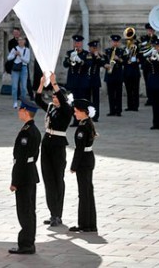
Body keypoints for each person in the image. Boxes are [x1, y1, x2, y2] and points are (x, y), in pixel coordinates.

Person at [34, 73, 72, 227]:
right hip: (47, 144)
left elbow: (63, 102)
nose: (54, 99)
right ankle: (52, 213)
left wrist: (55, 84)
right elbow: (38, 100)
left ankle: (58, 214)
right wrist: (42, 83)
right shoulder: (51, 107)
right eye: (53, 96)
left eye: (57, 97)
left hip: (58, 145)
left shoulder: (67, 110)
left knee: (58, 180)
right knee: (48, 180)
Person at [8, 98, 41, 255]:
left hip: (24, 176)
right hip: (30, 173)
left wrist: (15, 181)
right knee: (29, 210)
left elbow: (20, 160)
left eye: (21, 109)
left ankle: (26, 243)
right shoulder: (33, 130)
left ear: (26, 112)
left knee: (25, 211)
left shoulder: (27, 133)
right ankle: (29, 242)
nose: (19, 112)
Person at [69, 99, 98, 233]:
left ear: (82, 112)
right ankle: (90, 223)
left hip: (83, 162)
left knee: (84, 193)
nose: (74, 114)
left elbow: (79, 149)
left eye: (76, 111)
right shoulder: (88, 124)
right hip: (89, 159)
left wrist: (74, 166)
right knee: (88, 192)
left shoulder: (82, 127)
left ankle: (85, 224)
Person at [63, 35, 90, 125]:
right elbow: (65, 64)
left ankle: (84, 119)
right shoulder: (69, 52)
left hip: (82, 81)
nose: (76, 44)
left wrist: (80, 61)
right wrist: (69, 60)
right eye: (75, 42)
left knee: (82, 100)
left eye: (78, 43)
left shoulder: (86, 54)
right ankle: (75, 119)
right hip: (72, 81)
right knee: (73, 101)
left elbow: (88, 65)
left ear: (81, 43)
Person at [104, 35, 125, 117]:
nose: (115, 43)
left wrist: (118, 59)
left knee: (118, 94)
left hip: (118, 75)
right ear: (111, 42)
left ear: (119, 43)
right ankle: (112, 110)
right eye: (114, 42)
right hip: (110, 75)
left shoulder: (121, 51)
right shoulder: (107, 51)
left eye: (117, 42)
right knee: (111, 94)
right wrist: (105, 64)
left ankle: (118, 110)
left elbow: (125, 62)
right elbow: (104, 61)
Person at [7, 37, 31, 108]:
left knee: (24, 87)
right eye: (19, 40)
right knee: (14, 87)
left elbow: (27, 61)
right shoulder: (14, 49)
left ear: (25, 42)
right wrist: (14, 54)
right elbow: (8, 58)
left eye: (22, 40)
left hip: (23, 68)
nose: (20, 41)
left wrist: (20, 56)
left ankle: (23, 102)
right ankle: (15, 102)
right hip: (15, 68)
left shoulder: (27, 50)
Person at [86, 40, 105, 122]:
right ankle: (88, 115)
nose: (94, 49)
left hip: (95, 81)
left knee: (96, 100)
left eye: (95, 48)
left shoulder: (99, 56)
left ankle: (95, 116)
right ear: (90, 48)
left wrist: (98, 56)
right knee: (87, 99)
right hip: (87, 81)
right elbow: (88, 64)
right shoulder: (87, 55)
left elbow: (103, 63)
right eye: (93, 48)